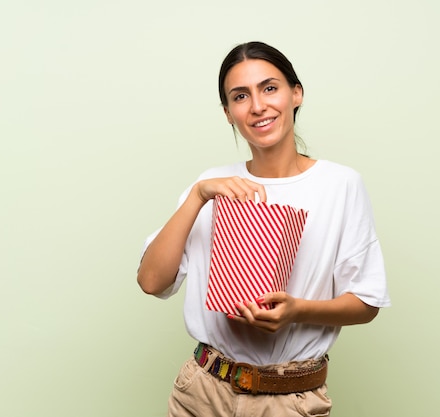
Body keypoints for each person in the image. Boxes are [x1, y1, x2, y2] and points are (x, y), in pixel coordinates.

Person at [137, 41, 391, 416]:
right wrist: (197, 196)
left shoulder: (340, 185)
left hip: (288, 398)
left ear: (296, 93)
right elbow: (151, 282)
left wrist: (297, 311)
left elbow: (367, 302)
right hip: (202, 391)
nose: (257, 106)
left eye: (269, 88)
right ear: (228, 113)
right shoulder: (212, 183)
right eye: (240, 96)